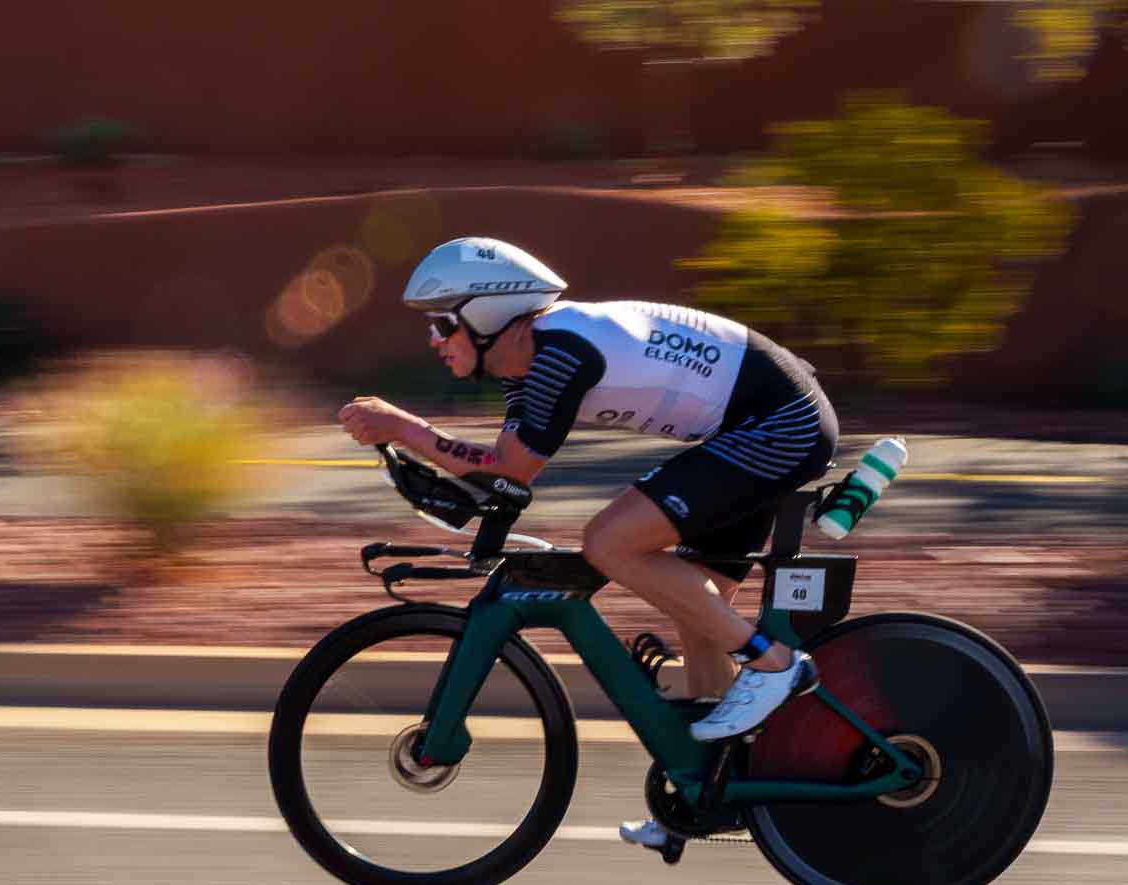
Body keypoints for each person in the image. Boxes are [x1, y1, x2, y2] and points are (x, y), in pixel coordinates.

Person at [338, 236, 836, 851]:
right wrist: (433, 481)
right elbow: (499, 475)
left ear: (487, 315)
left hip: (780, 425)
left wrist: (401, 428)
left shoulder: (560, 352)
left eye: (444, 325)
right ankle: (704, 788)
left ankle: (773, 665)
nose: (434, 341)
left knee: (609, 541)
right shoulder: (529, 369)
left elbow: (510, 467)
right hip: (756, 424)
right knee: (698, 606)